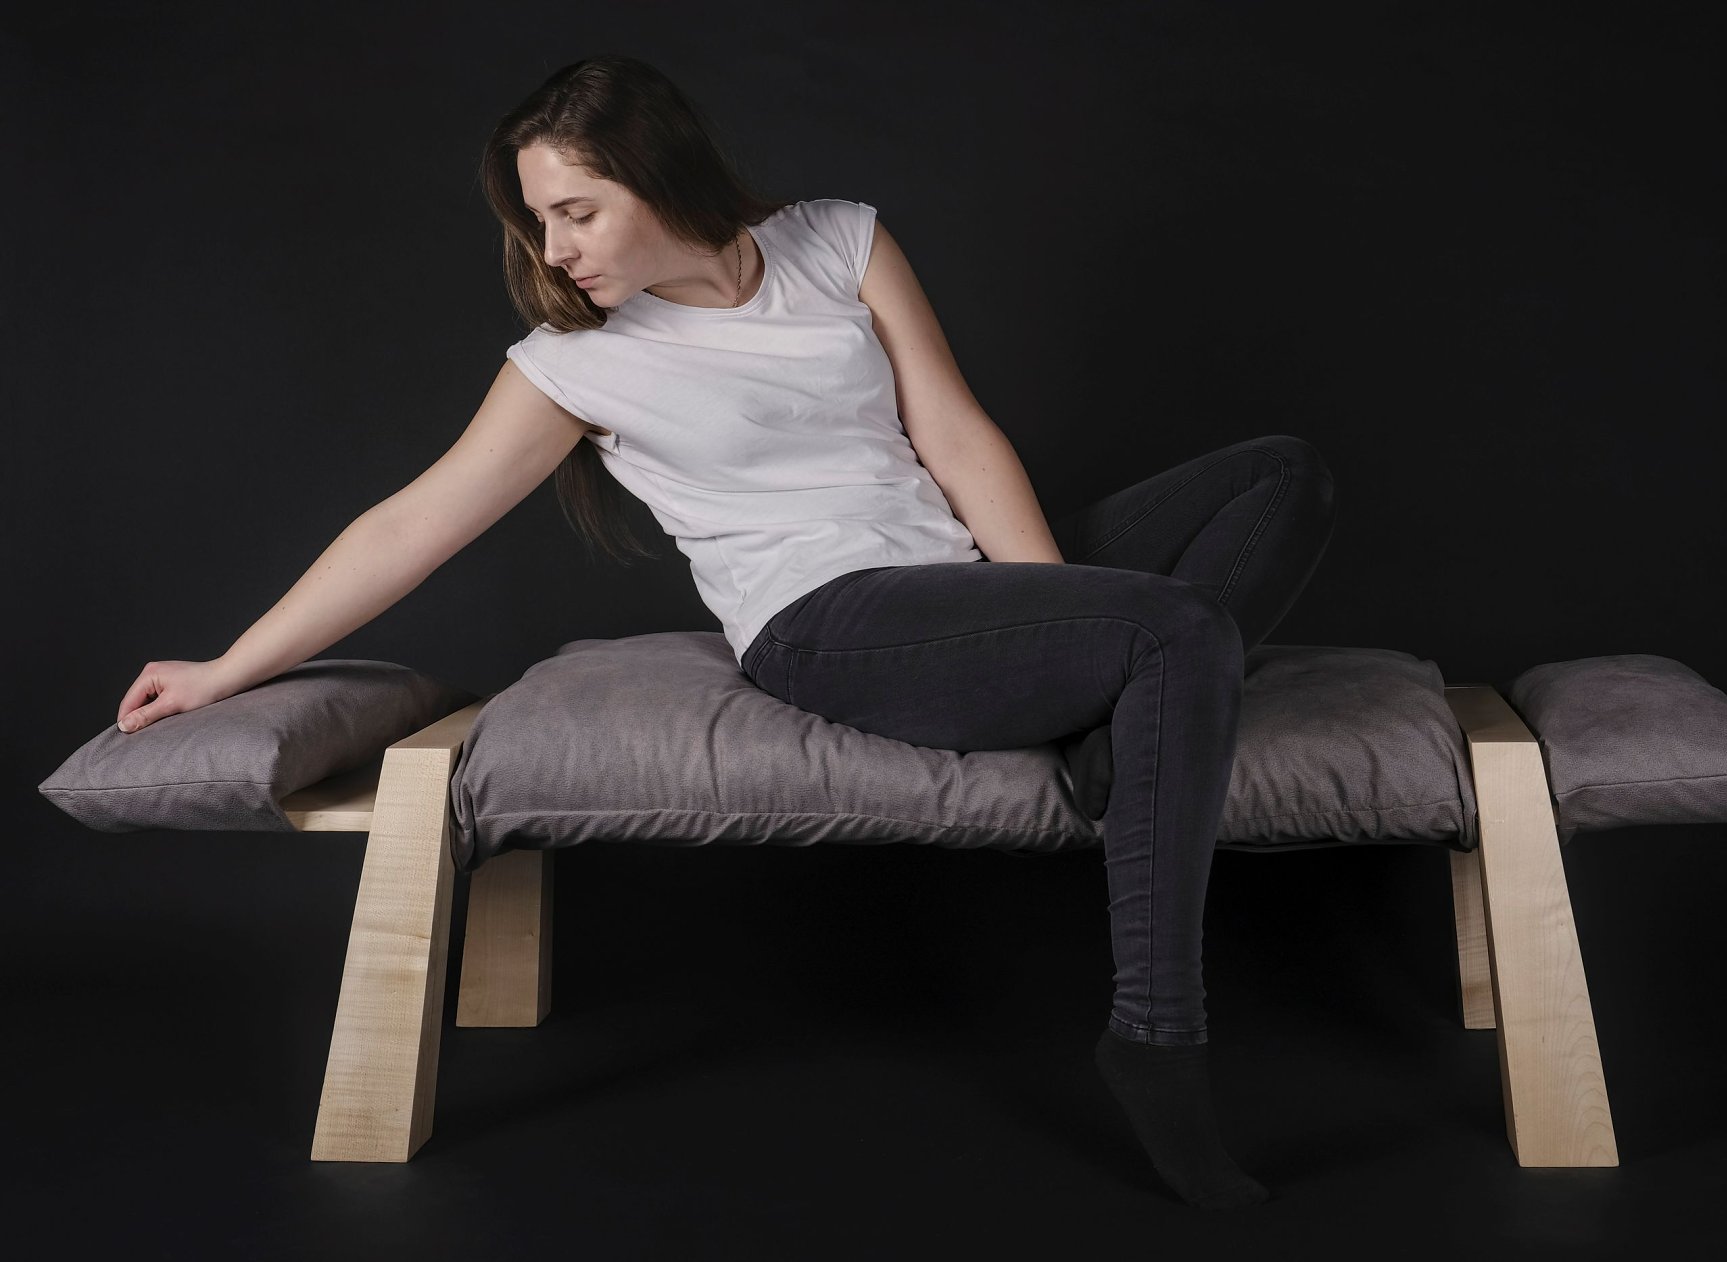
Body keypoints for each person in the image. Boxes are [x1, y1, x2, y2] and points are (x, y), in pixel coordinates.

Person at [113, 55, 1335, 1210]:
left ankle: (1104, 732)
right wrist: (226, 667)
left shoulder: (839, 239)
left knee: (1279, 475)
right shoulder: (573, 364)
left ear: (661, 173)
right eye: (540, 221)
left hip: (958, 578)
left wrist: (1048, 618)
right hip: (830, 620)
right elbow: (408, 525)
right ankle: (1156, 1033)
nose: (554, 248)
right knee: (1176, 631)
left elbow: (957, 435)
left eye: (578, 211)